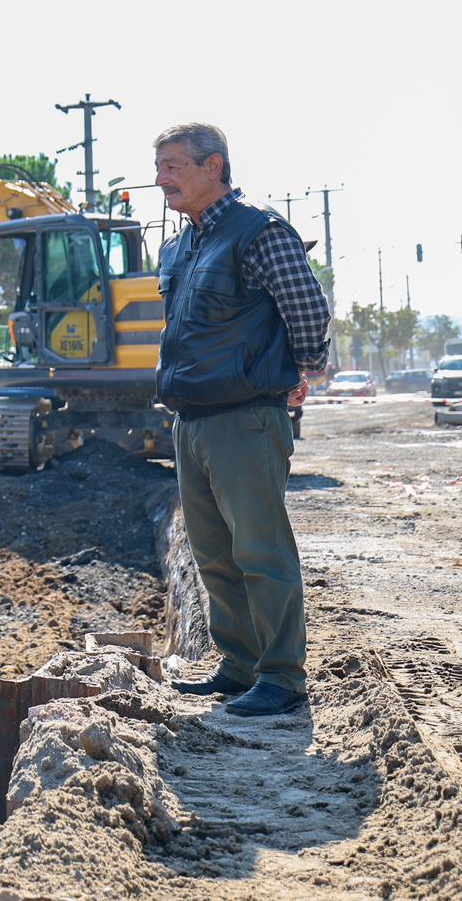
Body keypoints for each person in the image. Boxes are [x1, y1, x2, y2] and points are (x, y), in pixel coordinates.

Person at [153, 123, 327, 718]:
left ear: (214, 166)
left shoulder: (260, 231)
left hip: (245, 418)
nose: (161, 179)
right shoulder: (179, 245)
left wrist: (305, 368)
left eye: (173, 166)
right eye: (160, 166)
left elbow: (305, 307)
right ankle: (240, 666)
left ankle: (282, 676)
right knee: (214, 554)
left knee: (260, 550)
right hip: (193, 420)